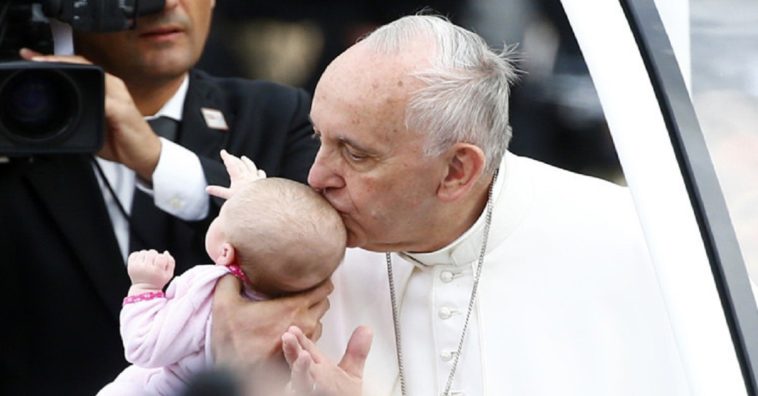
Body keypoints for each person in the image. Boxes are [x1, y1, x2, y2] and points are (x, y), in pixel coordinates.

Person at [212, 14, 691, 396]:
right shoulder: (294, 251)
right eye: (320, 139)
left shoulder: (638, 243)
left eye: (355, 153)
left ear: (457, 170)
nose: (317, 177)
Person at [0, 1, 330, 394]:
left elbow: (316, 250)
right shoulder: (14, 119)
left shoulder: (278, 114)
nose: (168, 3)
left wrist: (159, 162)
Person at [98, 154, 346, 396]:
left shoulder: (205, 294)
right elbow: (280, 234)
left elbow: (142, 346)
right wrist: (250, 200)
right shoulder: (296, 304)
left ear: (226, 252)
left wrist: (145, 289)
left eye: (221, 216)